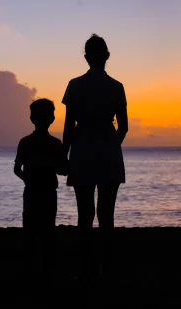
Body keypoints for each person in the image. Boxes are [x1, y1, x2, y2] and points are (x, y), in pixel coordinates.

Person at [61, 33, 129, 281]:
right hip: (108, 148)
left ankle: (86, 268)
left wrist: (65, 154)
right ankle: (106, 268)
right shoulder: (116, 87)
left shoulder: (75, 85)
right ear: (107, 56)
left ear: (87, 57)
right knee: (106, 214)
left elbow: (69, 125)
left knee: (85, 214)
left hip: (82, 148)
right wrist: (110, 145)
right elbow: (123, 127)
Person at [14, 98, 68, 284]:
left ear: (32, 118)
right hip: (43, 191)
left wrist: (27, 178)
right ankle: (44, 270)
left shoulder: (26, 142)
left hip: (34, 191)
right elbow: (63, 170)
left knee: (32, 230)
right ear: (52, 118)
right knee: (46, 231)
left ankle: (32, 269)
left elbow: (17, 169)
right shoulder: (54, 143)